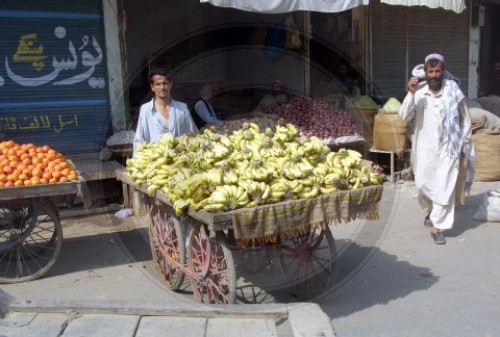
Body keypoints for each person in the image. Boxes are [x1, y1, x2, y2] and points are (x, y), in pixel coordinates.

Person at [399, 53, 475, 245]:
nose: (434, 75)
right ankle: (431, 210)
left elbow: (465, 118)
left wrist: (464, 143)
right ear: (425, 72)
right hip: (424, 147)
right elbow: (403, 116)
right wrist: (410, 92)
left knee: (445, 187)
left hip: (449, 148)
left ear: (443, 72)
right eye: (431, 71)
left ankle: (438, 227)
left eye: (437, 71)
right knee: (423, 183)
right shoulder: (419, 92)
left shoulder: (453, 90)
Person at [133, 68, 198, 154]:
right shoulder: (146, 110)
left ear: (170, 85)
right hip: (156, 162)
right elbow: (139, 139)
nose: (162, 87)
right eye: (158, 84)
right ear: (152, 87)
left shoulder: (182, 108)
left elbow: (193, 134)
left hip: (179, 160)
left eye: (165, 83)